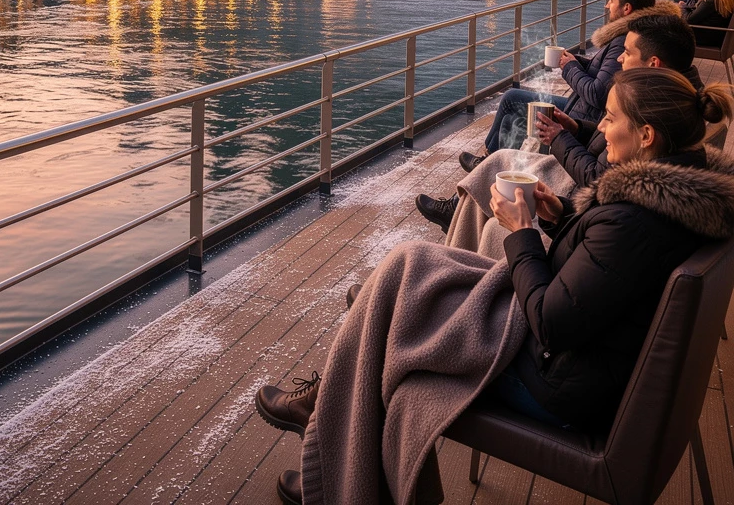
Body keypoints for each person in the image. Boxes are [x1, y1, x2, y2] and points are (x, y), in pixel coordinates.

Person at [256, 69, 734, 505]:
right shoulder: (683, 197)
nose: (600, 130)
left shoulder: (636, 221)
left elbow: (551, 323)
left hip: (554, 383)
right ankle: (339, 407)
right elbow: (610, 273)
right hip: (583, 365)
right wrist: (558, 217)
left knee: (398, 309)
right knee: (409, 276)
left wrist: (523, 229)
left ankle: (338, 469)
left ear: (647, 136)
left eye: (610, 119)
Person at [417, 12, 703, 236]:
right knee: (502, 161)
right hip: (582, 183)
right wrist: (576, 128)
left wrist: (558, 137)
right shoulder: (672, 103)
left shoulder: (651, 109)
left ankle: (459, 215)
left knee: (508, 162)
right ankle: (460, 206)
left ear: (653, 63)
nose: (619, 58)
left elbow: (599, 179)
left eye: (626, 54)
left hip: (580, 191)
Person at [456, 0, 659, 173]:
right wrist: (576, 60)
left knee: (512, 100)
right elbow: (605, 76)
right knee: (513, 119)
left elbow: (598, 94)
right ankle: (490, 166)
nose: (606, 6)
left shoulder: (620, 42)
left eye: (611, 0)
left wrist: (569, 68)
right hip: (581, 111)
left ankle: (487, 167)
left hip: (583, 115)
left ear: (626, 8)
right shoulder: (631, 38)